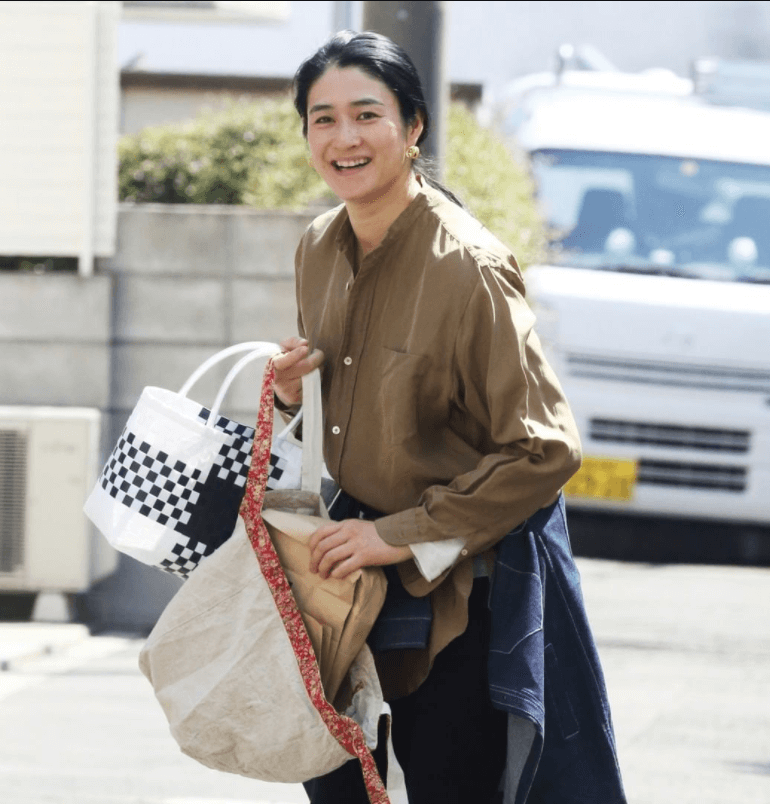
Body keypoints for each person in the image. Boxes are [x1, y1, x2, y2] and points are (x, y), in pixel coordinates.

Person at [272, 30, 626, 804]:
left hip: (459, 600)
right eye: (322, 119)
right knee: (337, 786)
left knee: (450, 787)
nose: (345, 138)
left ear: (414, 127)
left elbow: (545, 450)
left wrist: (390, 535)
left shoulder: (469, 265)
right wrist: (296, 399)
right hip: (348, 589)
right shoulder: (319, 247)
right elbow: (343, 430)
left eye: (367, 114)